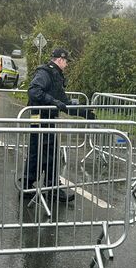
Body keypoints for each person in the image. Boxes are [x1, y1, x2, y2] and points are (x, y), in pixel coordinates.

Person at [22, 48, 95, 203]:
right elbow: (34, 91)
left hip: (47, 118)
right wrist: (53, 102)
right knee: (45, 152)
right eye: (66, 61)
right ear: (60, 60)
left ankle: (31, 185)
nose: (67, 65)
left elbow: (64, 102)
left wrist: (84, 112)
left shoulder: (55, 76)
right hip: (40, 118)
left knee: (43, 151)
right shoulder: (45, 73)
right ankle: (50, 187)